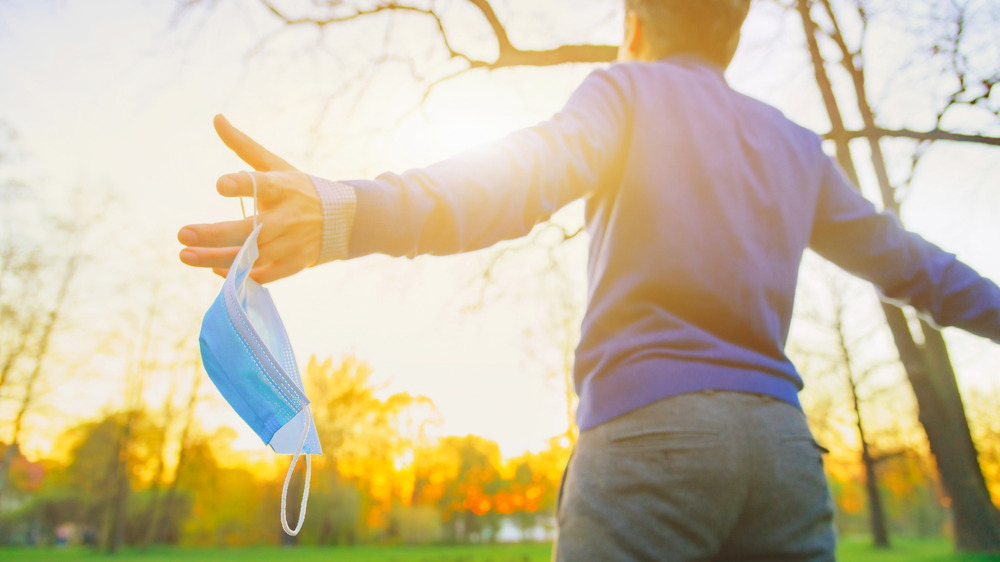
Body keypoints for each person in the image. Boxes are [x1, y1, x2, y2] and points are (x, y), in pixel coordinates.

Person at [179, 1, 1000, 559]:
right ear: (734, 35)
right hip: (783, 455)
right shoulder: (791, 142)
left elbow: (510, 183)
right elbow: (918, 268)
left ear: (634, 24)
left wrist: (347, 213)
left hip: (651, 443)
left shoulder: (625, 91)